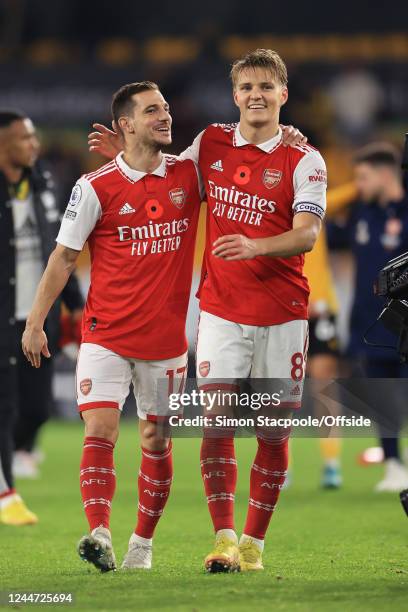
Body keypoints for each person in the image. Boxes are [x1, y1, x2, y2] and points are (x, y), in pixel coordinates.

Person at [89, 49, 326, 572]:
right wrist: (122, 154)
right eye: (246, 88)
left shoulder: (305, 159)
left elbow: (308, 233)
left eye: (266, 86)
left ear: (283, 94)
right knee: (215, 421)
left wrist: (256, 246)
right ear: (234, 95)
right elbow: (164, 178)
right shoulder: (211, 143)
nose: (255, 96)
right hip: (220, 310)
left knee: (271, 432)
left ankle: (254, 545)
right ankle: (222, 538)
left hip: (284, 312)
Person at [0, 110, 83, 525]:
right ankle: (6, 494)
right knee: (5, 403)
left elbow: (61, 252)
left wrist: (76, 303)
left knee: (36, 407)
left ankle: (16, 458)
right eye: (24, 138)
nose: (34, 144)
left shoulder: (45, 183)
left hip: (36, 317)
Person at [327, 142, 408, 492]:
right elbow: (320, 218)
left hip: (405, 323)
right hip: (371, 324)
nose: (357, 185)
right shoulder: (361, 211)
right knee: (381, 397)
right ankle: (393, 466)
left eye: (362, 177)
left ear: (386, 173)